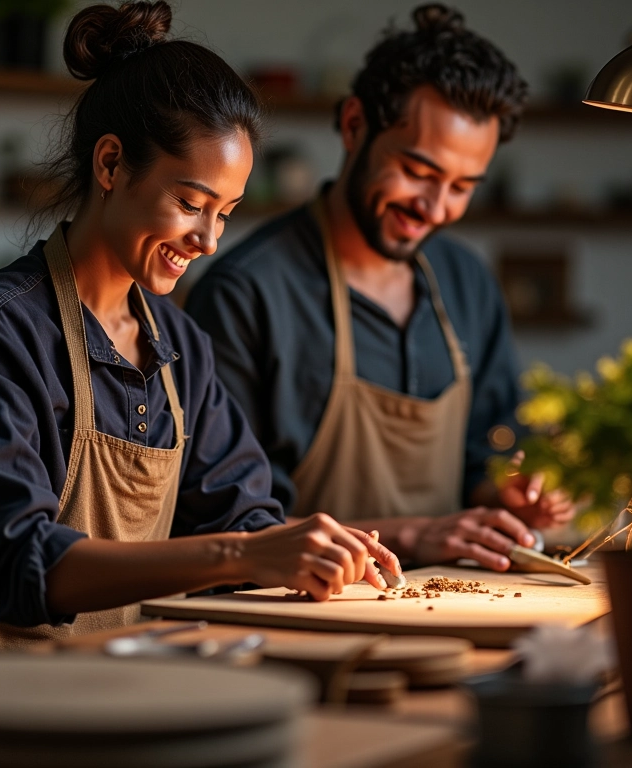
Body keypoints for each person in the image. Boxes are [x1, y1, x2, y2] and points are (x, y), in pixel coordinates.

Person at [0, 0, 400, 654]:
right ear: (110, 165)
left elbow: (241, 513)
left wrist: (307, 546)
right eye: (190, 203)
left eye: (226, 213)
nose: (209, 240)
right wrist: (243, 553)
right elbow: (15, 564)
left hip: (129, 685)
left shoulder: (180, 346)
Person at [186, 3, 575, 572]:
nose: (435, 209)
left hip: (453, 603)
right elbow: (226, 526)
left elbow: (486, 455)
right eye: (417, 172)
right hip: (299, 611)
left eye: (462, 186)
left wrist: (511, 493)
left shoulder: (467, 283)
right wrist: (416, 535)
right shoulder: (245, 295)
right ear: (353, 125)